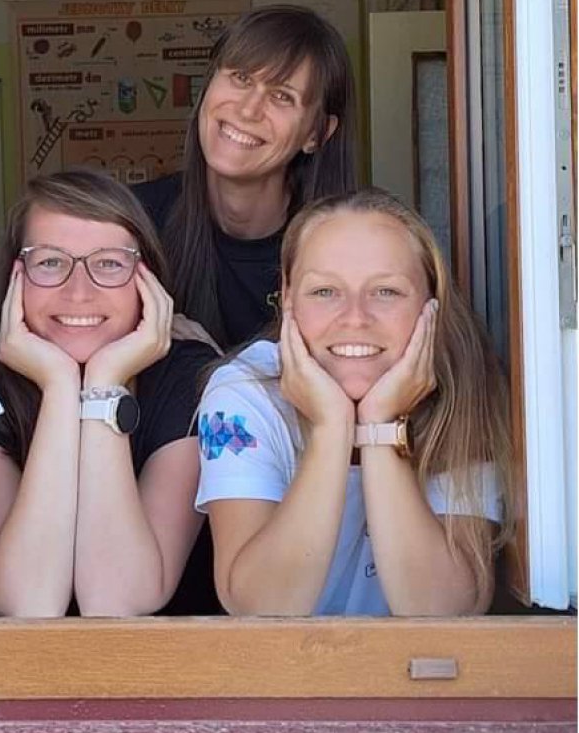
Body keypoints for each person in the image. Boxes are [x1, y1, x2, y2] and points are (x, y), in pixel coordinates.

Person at [197, 188, 512, 617]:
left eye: (386, 291)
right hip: (282, 660)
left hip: (421, 661)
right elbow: (258, 607)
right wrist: (332, 429)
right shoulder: (244, 393)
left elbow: (445, 611)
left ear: (430, 304)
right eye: (325, 291)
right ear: (287, 298)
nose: (355, 318)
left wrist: (380, 426)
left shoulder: (462, 389)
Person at [0, 170, 220, 617]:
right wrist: (60, 386)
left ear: (148, 281)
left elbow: (116, 599)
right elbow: (24, 601)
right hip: (8, 659)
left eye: (109, 263)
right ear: (16, 278)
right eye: (50, 262)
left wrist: (104, 384)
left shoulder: (190, 377)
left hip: (168, 658)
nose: (79, 292)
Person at [133, 5, 356, 350]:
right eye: (241, 78)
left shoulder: (351, 250)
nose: (248, 109)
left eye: (282, 96)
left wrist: (218, 364)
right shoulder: (132, 221)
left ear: (317, 134)